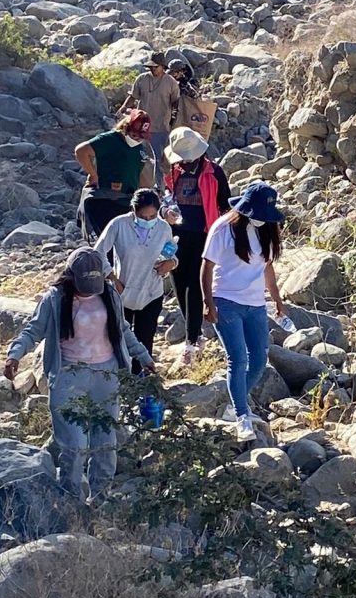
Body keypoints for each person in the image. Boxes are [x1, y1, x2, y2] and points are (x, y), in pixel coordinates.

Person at [4, 247, 155, 502]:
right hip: (68, 376)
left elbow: (123, 330)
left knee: (105, 443)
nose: (88, 291)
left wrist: (144, 356)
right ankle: (71, 500)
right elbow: (33, 331)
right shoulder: (54, 299)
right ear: (70, 276)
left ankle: (101, 500)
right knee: (73, 446)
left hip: (106, 376)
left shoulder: (109, 295)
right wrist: (14, 355)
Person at [201, 181, 289, 442]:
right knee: (237, 359)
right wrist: (207, 302)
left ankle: (235, 404)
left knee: (259, 359)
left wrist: (277, 300)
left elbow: (267, 267)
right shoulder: (223, 228)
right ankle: (242, 416)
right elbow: (207, 266)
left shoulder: (268, 229)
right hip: (226, 300)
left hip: (255, 303)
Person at [163, 126, 231, 366]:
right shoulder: (175, 173)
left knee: (194, 284)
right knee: (178, 282)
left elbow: (225, 205)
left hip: (204, 236)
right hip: (176, 236)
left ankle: (191, 340)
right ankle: (194, 332)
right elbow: (165, 199)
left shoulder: (214, 172)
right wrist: (165, 213)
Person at [94, 188, 178, 367]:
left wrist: (171, 264)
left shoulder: (163, 228)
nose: (147, 221)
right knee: (119, 340)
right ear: (133, 211)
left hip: (151, 293)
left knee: (145, 341)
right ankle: (121, 378)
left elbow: (171, 253)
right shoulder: (119, 224)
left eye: (152, 217)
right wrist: (111, 277)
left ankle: (142, 379)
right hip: (123, 291)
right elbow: (97, 252)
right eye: (143, 217)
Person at [75, 110, 154, 240]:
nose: (137, 139)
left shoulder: (139, 149)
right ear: (126, 127)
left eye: (142, 136)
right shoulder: (109, 140)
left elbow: (138, 174)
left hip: (127, 202)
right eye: (135, 135)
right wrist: (93, 175)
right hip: (105, 200)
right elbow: (81, 151)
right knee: (109, 242)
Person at [120, 50, 180, 164]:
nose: (152, 69)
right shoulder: (142, 79)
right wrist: (123, 107)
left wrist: (173, 122)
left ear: (162, 66)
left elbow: (175, 103)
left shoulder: (171, 82)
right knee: (137, 156)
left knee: (157, 158)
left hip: (160, 127)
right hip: (139, 125)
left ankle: (157, 176)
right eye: (150, 67)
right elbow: (133, 96)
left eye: (155, 67)